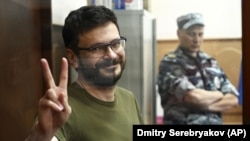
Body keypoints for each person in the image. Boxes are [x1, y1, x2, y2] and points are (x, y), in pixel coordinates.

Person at [25, 5, 143, 141]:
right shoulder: (62, 109)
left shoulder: (128, 98)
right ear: (73, 58)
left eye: (115, 43)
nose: (111, 55)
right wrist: (42, 135)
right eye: (97, 48)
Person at [157, 13, 239, 125]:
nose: (197, 39)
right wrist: (219, 94)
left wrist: (207, 106)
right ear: (179, 33)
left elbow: (233, 99)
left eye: (200, 34)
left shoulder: (210, 62)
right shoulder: (170, 63)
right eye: (192, 34)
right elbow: (193, 97)